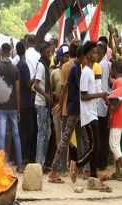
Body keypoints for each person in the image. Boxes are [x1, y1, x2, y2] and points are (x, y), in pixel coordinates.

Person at [70, 41, 108, 182]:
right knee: (94, 147)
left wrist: (104, 97)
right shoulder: (85, 72)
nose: (96, 55)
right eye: (93, 52)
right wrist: (100, 95)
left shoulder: (91, 71)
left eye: (96, 52)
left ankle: (92, 174)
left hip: (93, 112)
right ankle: (77, 164)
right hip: (88, 114)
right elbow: (83, 95)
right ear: (86, 55)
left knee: (94, 145)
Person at [48, 46, 84, 183]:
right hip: (73, 110)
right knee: (66, 141)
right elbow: (70, 88)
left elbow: (64, 88)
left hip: (72, 109)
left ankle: (82, 169)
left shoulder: (74, 67)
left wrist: (59, 104)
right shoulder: (74, 68)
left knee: (82, 140)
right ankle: (56, 170)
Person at [0, 43, 23, 173]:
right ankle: (20, 165)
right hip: (12, 107)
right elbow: (17, 92)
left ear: (2, 52)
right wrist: (18, 109)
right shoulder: (15, 69)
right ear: (10, 52)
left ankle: (2, 165)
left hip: (1, 106)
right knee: (16, 135)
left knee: (1, 135)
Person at [108, 59, 122, 179]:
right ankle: (117, 171)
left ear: (115, 70)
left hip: (117, 117)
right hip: (120, 116)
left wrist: (111, 111)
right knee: (116, 144)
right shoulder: (120, 81)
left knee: (113, 145)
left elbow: (117, 100)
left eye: (111, 69)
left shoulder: (117, 82)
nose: (110, 71)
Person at [50, 45, 70, 175]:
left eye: (68, 55)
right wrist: (55, 96)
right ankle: (61, 166)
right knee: (59, 139)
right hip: (58, 108)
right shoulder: (54, 73)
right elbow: (50, 91)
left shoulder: (71, 69)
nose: (67, 57)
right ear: (60, 57)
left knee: (67, 139)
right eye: (65, 56)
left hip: (68, 109)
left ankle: (66, 165)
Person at [33, 43, 53, 168]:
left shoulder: (45, 65)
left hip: (45, 104)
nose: (49, 54)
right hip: (41, 104)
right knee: (42, 133)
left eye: (50, 52)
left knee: (47, 132)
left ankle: (42, 161)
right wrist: (46, 96)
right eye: (47, 52)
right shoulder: (41, 66)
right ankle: (39, 162)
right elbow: (35, 85)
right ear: (41, 53)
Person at [16, 41, 36, 164]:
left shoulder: (18, 65)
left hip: (22, 102)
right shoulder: (23, 66)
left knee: (23, 130)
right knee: (28, 130)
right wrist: (36, 77)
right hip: (26, 102)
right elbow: (29, 84)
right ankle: (25, 156)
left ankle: (23, 156)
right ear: (25, 49)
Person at [96, 42, 111, 171]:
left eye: (97, 52)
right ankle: (103, 161)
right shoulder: (105, 63)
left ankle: (100, 162)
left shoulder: (100, 65)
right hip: (103, 102)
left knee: (100, 135)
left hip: (100, 103)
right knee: (102, 135)